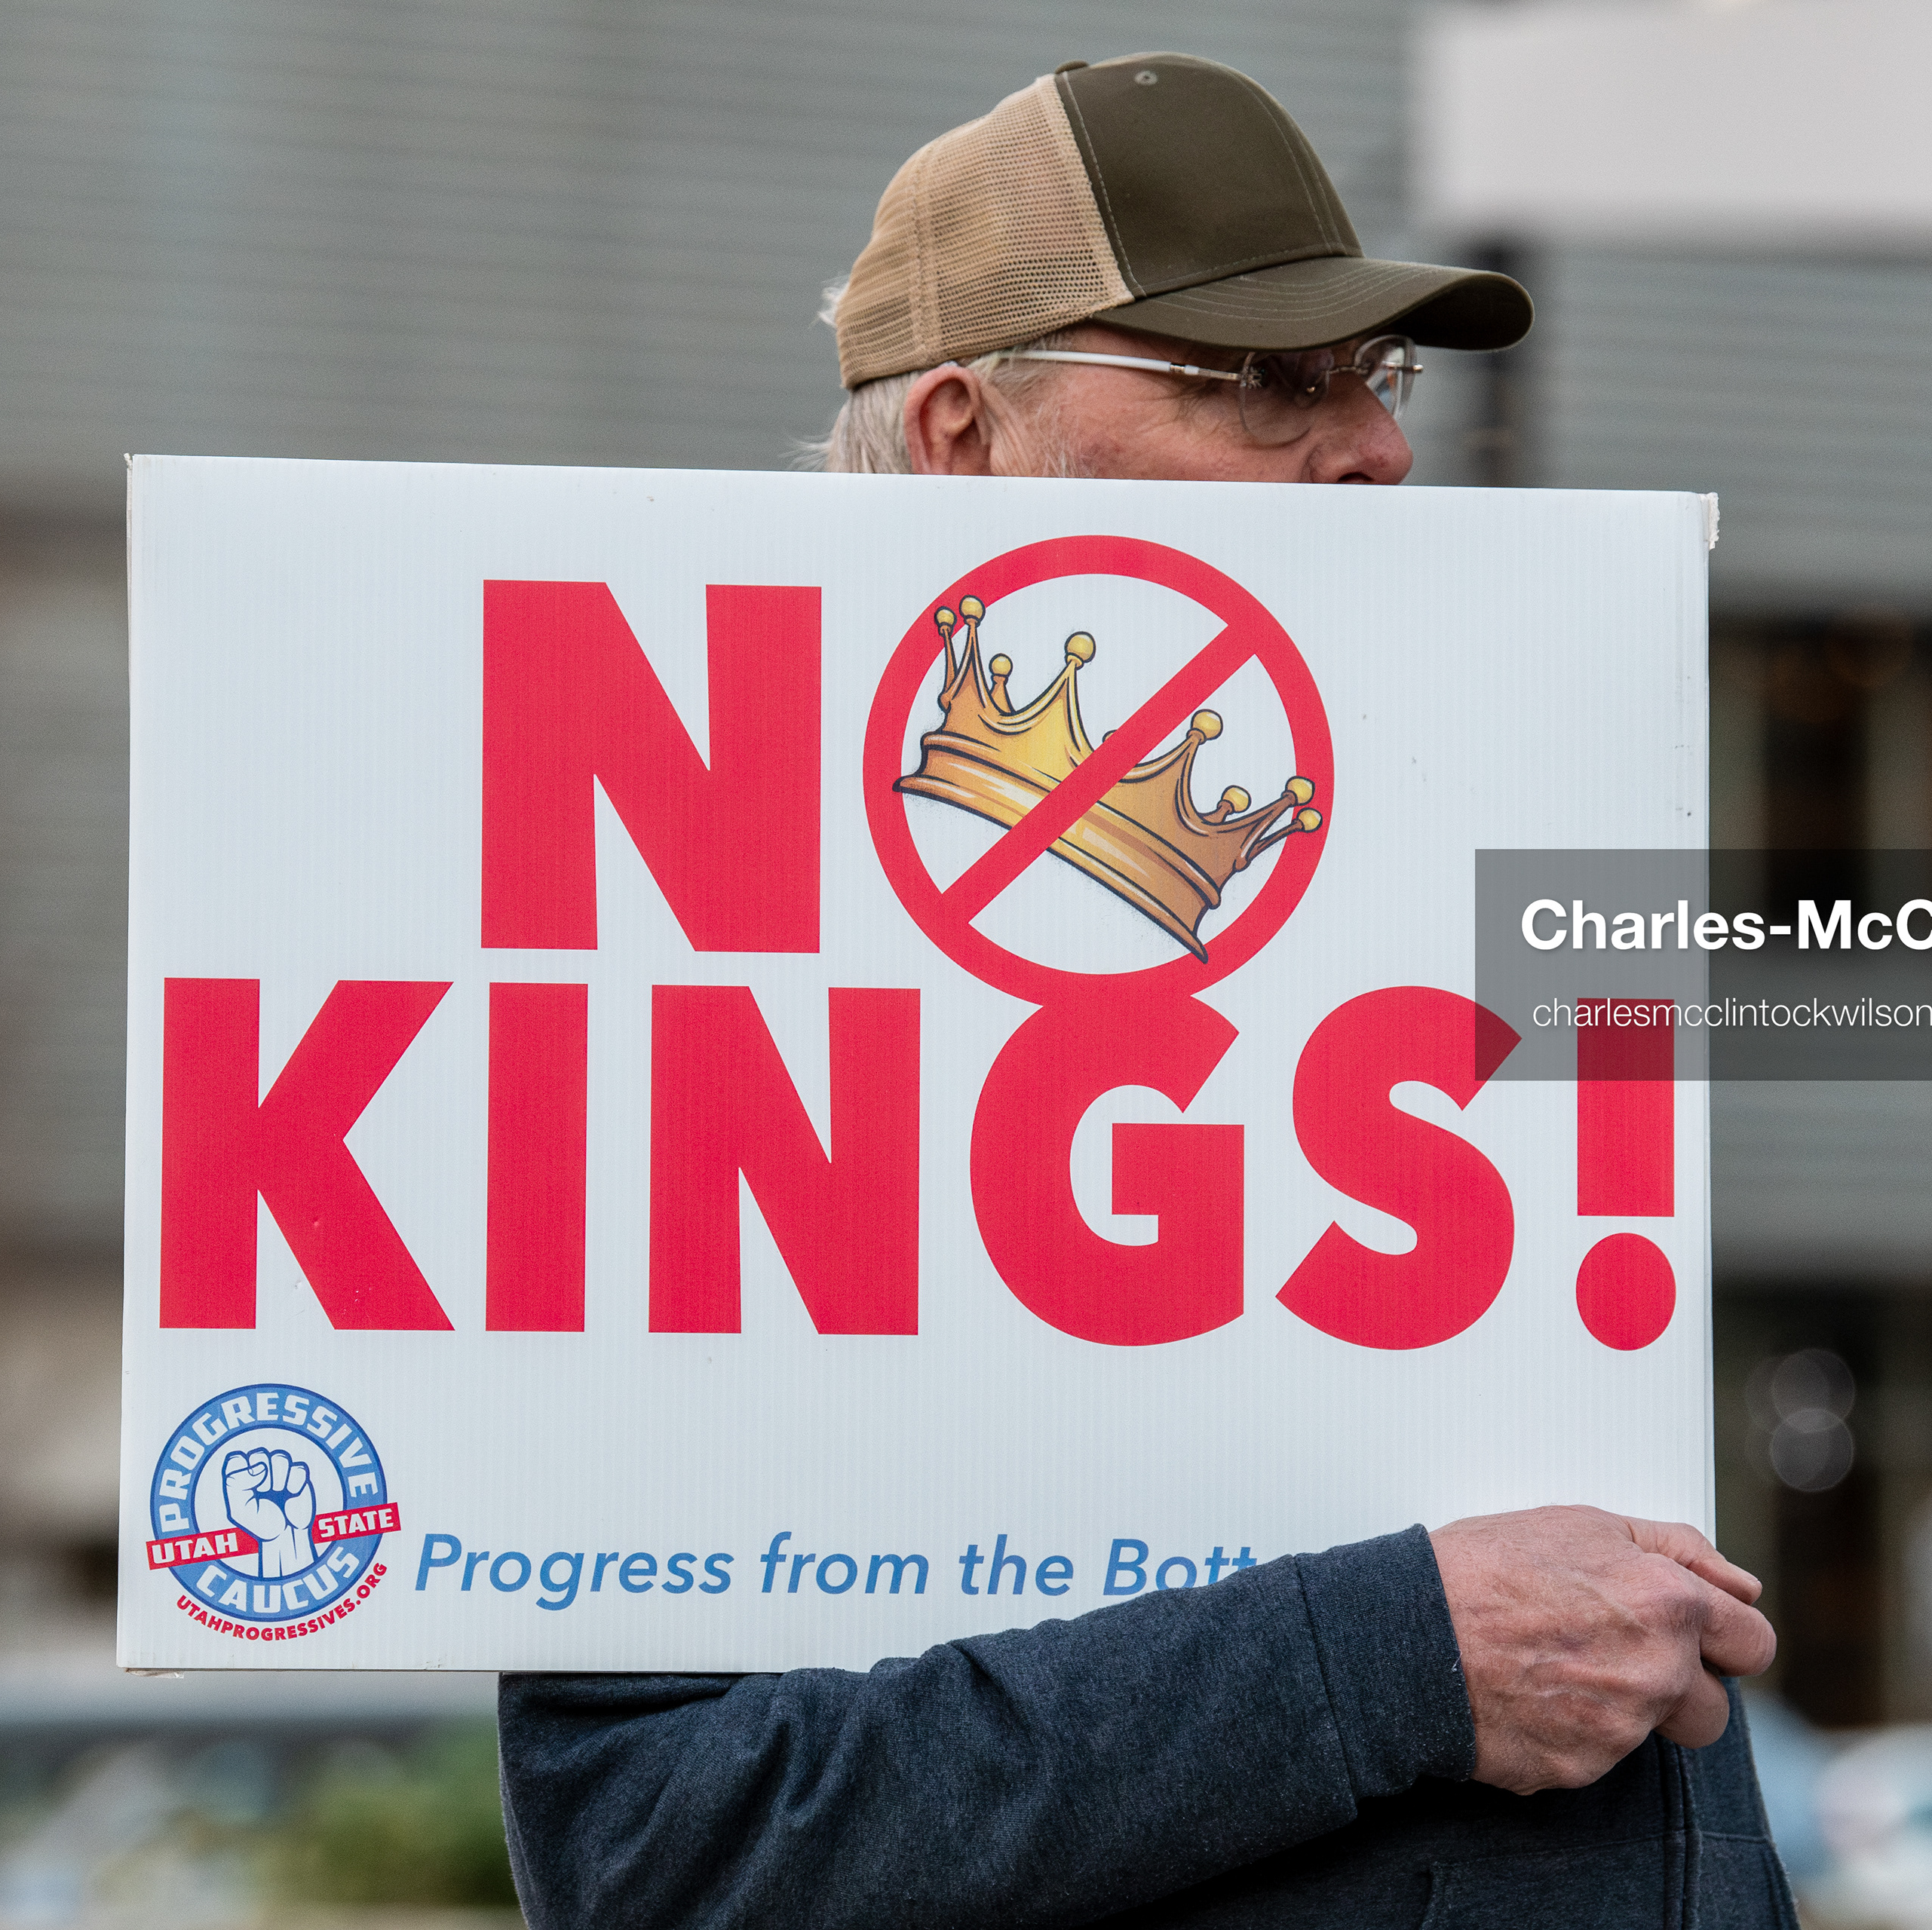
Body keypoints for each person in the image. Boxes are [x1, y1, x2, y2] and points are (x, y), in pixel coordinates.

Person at [497, 54, 1796, 1929]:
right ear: (962, 433)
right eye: (1264, 380)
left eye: (1378, 374)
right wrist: (1398, 1657)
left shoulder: (1438, 877)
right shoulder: (697, 1017)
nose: (1376, 444)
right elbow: (662, 1847)